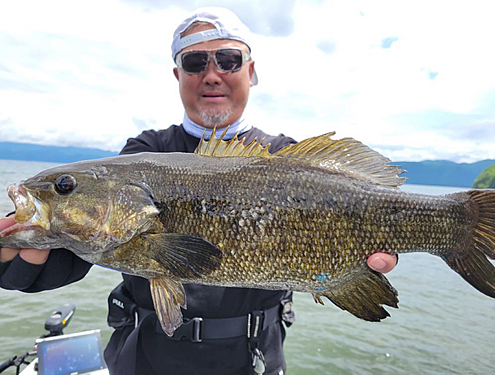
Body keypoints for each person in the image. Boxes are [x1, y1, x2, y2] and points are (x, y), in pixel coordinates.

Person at [0, 7, 397, 375]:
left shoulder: (285, 159)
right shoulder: (144, 153)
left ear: (251, 70)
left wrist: (374, 246)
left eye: (228, 60)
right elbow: (78, 251)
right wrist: (32, 261)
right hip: (147, 358)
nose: (211, 74)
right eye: (194, 62)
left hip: (254, 358)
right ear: (178, 75)